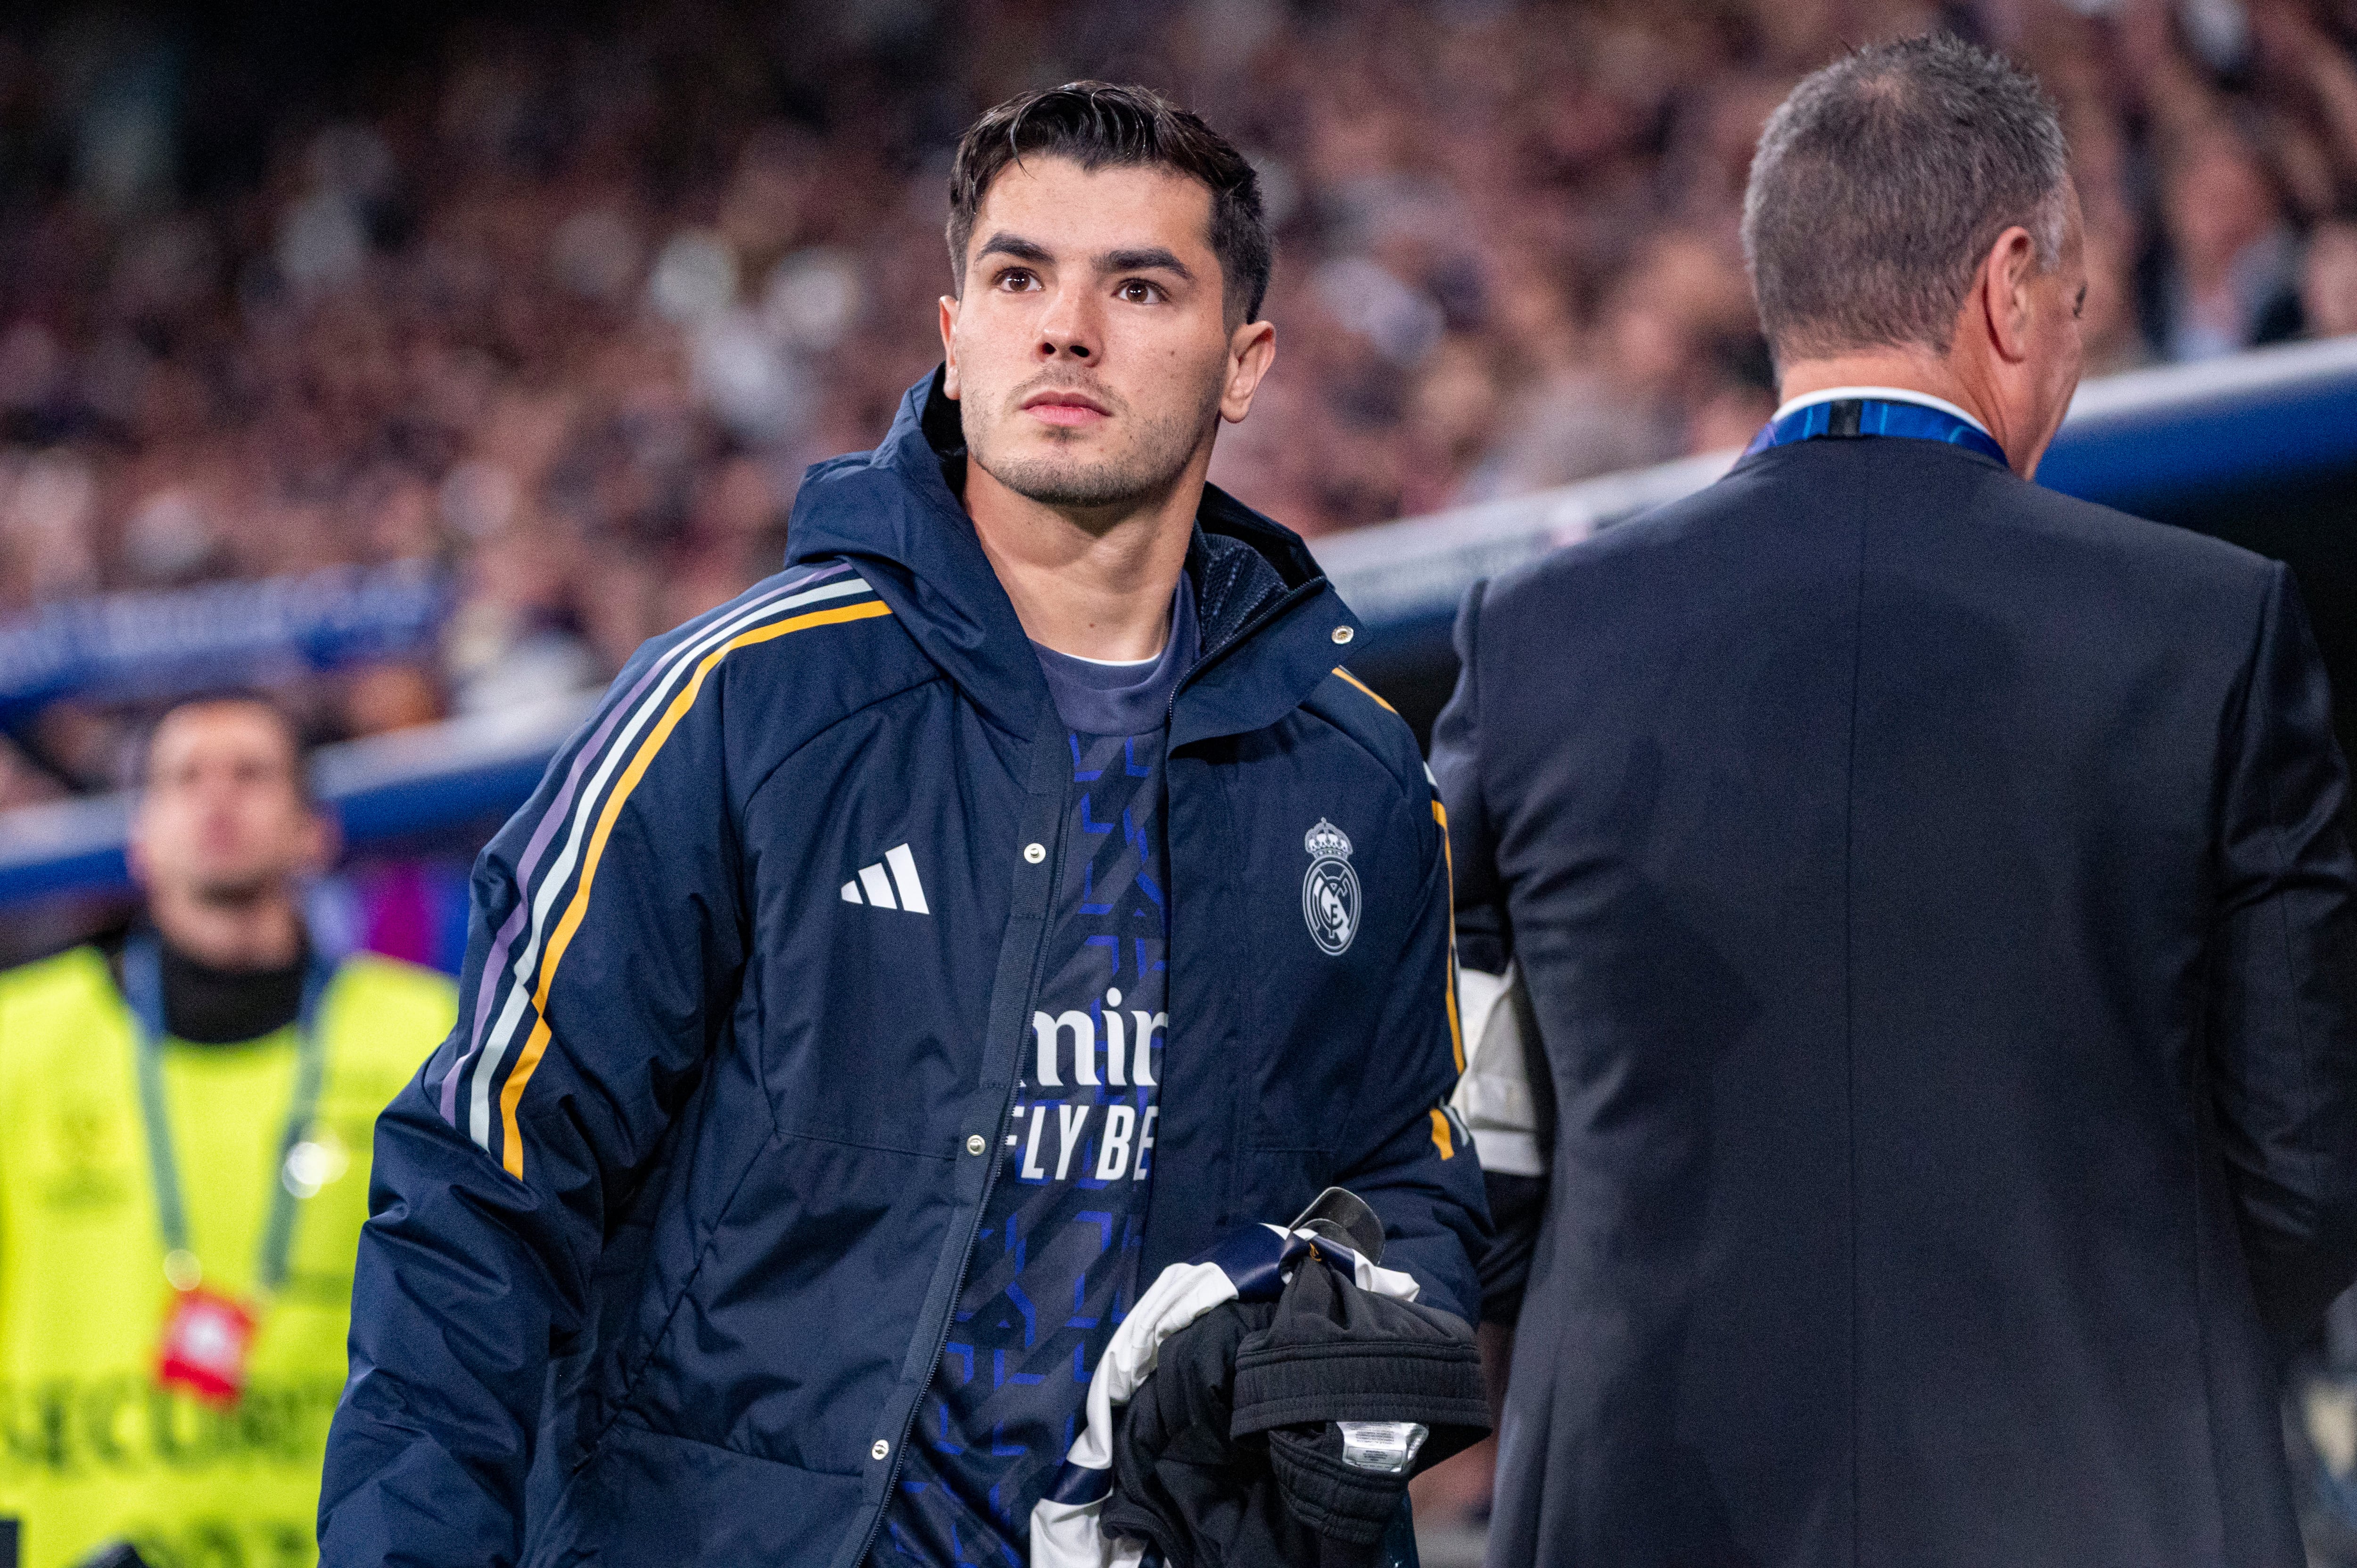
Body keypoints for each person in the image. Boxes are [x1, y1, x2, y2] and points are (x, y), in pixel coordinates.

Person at [318, 82, 1483, 1567]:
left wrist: (1306, 1321)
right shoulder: (742, 707)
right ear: (953, 338)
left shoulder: (1356, 774)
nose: (1067, 328)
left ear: (1244, 363)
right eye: (1018, 278)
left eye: (1139, 286)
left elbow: (1412, 1185)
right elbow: (481, 1186)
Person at [1434, 34, 2357, 1568]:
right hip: (2109, 1504)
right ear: (2007, 285)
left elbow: (1471, 1164)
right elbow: (2306, 1176)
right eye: (2071, 307)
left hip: (1646, 1502)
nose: (2066, 346)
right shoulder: (2214, 631)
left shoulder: (1530, 645)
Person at [0, 695, 454, 1568]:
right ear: (139, 837)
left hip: (346, 1545)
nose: (217, 799)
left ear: (312, 831)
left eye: (250, 774)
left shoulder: (426, 1041)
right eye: (183, 778)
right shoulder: (19, 1039)